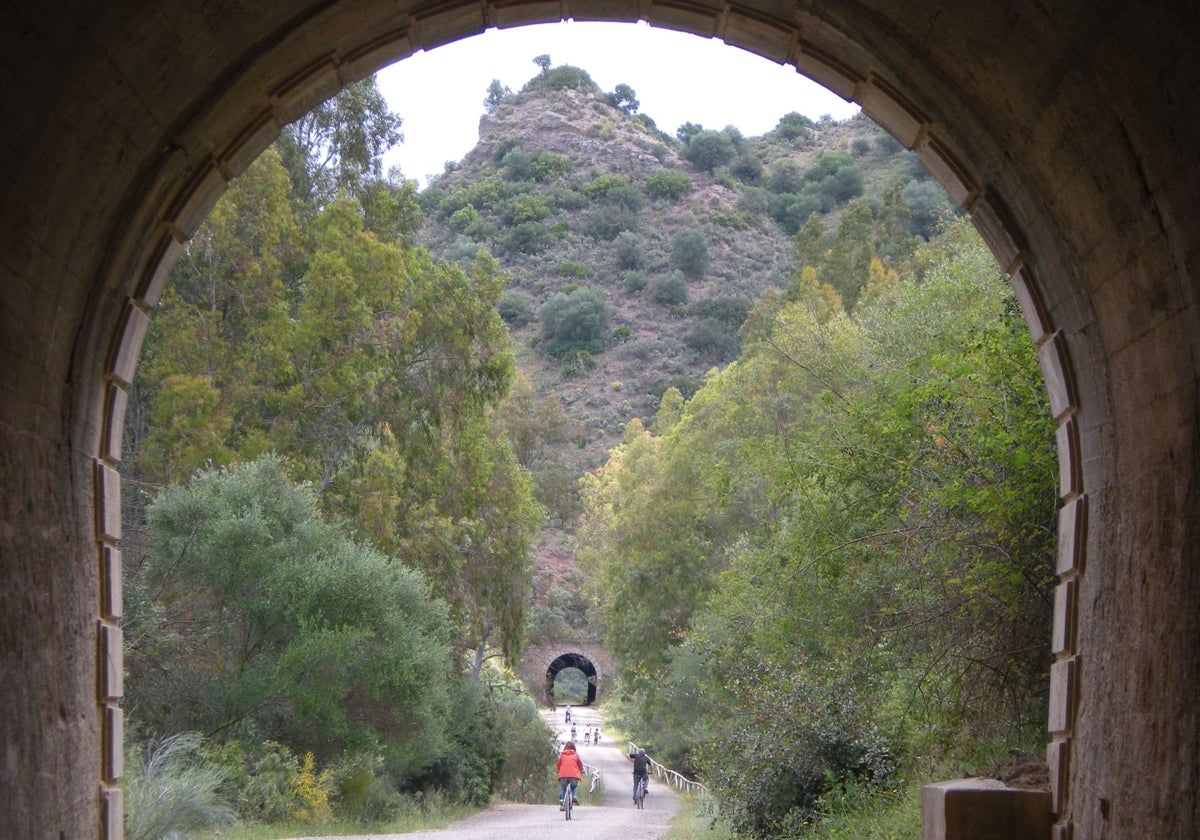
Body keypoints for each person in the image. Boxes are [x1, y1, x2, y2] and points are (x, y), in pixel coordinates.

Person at [557, 740, 584, 810]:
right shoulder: (576, 755)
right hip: (574, 776)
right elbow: (580, 765)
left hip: (563, 776)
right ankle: (574, 796)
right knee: (574, 787)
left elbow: (558, 764)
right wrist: (581, 770)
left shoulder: (562, 755)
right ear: (574, 748)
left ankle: (562, 804)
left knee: (563, 788)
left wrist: (558, 770)